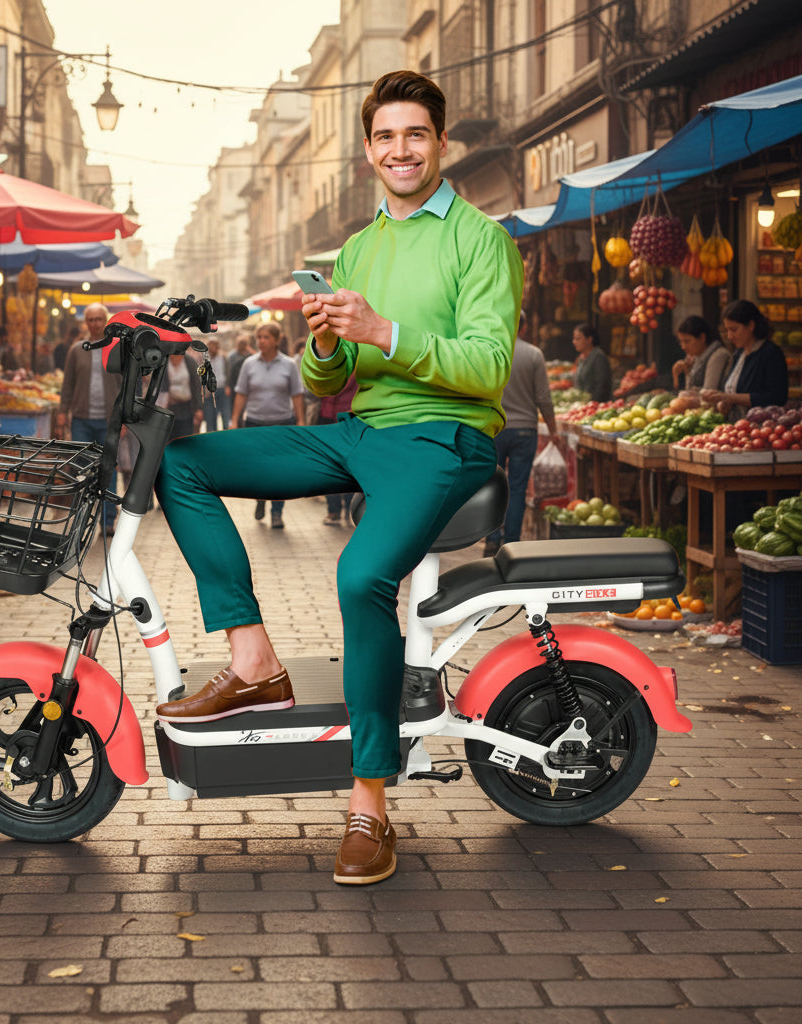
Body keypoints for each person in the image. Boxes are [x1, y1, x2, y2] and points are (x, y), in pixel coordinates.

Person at [154, 70, 522, 885]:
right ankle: (253, 662)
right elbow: (328, 383)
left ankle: (369, 801)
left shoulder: (479, 238)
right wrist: (325, 342)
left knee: (360, 576)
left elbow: (491, 365)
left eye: (416, 134)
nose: (401, 149)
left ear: (440, 143)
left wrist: (384, 330)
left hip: (443, 440)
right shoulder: (356, 247)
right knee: (180, 463)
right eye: (386, 136)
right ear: (368, 150)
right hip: (354, 432)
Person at [483, 310, 561, 554]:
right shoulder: (534, 354)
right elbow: (543, 398)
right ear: (524, 327)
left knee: (492, 484)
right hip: (525, 431)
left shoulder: (489, 352)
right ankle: (511, 542)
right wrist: (553, 429)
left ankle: (492, 538)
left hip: (494, 429)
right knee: (517, 488)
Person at [231, 322, 306, 529]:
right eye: (258, 337)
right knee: (256, 468)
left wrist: (300, 421)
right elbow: (241, 393)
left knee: (279, 471)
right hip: (254, 423)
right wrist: (234, 420)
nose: (261, 341)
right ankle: (260, 498)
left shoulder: (289, 364)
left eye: (265, 337)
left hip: (282, 423)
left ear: (276, 340)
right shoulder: (249, 364)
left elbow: (297, 395)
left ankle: (277, 512)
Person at [56, 303, 121, 533]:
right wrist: (63, 412)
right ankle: (84, 517)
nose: (95, 324)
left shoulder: (117, 348)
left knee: (108, 469)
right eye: (90, 319)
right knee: (82, 471)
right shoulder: (77, 350)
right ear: (86, 323)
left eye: (99, 319)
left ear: (106, 321)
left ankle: (108, 519)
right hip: (81, 420)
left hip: (108, 421)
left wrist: (125, 419)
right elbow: (68, 385)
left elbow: (126, 385)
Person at [700, 300, 787, 419]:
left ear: (751, 325)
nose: (729, 336)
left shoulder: (770, 353)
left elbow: (776, 397)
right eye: (727, 330)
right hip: (735, 427)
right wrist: (724, 403)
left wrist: (730, 398)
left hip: (761, 428)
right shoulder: (738, 354)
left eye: (734, 330)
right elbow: (732, 391)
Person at [317, 375, 358, 524]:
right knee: (332, 466)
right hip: (330, 419)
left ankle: (345, 509)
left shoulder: (359, 366)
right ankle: (337, 510)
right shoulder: (331, 366)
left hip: (350, 420)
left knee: (346, 467)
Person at [672, 315, 731, 392]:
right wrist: (685, 372)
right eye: (681, 342)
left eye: (687, 341)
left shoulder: (719, 355)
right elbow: (689, 389)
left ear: (702, 337)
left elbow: (708, 392)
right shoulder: (696, 357)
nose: (683, 347)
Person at [162, 349, 203, 440]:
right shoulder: (164, 363)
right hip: (170, 407)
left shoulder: (189, 362)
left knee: (185, 437)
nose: (173, 360)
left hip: (187, 406)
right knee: (170, 438)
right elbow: (162, 387)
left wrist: (198, 408)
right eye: (172, 358)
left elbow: (196, 385)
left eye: (176, 357)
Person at [572, 323, 612, 401]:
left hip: (596, 405)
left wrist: (592, 403)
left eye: (578, 338)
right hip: (583, 404)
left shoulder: (598, 356)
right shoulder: (581, 358)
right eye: (574, 339)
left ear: (589, 339)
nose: (574, 342)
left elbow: (602, 384)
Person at [202, 338, 229, 431]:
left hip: (222, 390)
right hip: (209, 392)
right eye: (210, 345)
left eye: (214, 345)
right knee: (210, 420)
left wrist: (228, 386)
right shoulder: (204, 360)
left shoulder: (223, 357)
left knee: (226, 418)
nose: (212, 348)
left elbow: (228, 372)